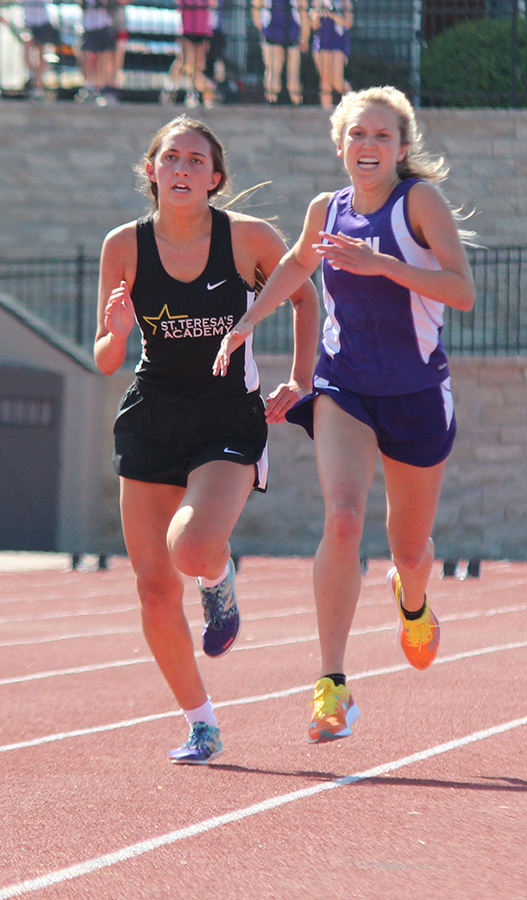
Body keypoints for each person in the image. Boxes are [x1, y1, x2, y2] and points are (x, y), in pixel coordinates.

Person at [213, 86, 476, 744]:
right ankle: (332, 684)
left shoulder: (418, 203)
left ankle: (412, 600)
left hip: (416, 393)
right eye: (358, 134)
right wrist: (247, 321)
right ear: (340, 144)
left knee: (409, 549)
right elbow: (297, 265)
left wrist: (382, 264)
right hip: (344, 389)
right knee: (344, 515)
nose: (369, 146)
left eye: (382, 137)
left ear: (402, 148)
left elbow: (462, 291)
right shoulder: (323, 210)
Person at [94, 116, 319, 764]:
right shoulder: (124, 246)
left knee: (191, 547)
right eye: (172, 158)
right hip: (153, 414)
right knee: (154, 590)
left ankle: (218, 582)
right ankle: (202, 723)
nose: (184, 168)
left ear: (215, 178)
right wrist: (114, 329)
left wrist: (299, 380)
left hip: (227, 414)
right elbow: (108, 358)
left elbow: (305, 298)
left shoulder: (248, 239)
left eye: (197, 160)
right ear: (152, 171)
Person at [252, 0, 310, 106]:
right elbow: (303, 11)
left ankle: (274, 101)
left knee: (276, 71)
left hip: (279, 27)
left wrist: (261, 28)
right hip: (280, 26)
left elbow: (256, 8)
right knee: (283, 71)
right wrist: (305, 36)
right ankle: (290, 101)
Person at [310, 0, 352, 109]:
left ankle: (353, 104)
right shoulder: (318, 2)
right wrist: (317, 15)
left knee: (338, 82)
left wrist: (331, 15)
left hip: (338, 43)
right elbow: (314, 26)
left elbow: (348, 23)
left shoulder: (344, 3)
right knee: (325, 80)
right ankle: (326, 111)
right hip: (321, 43)